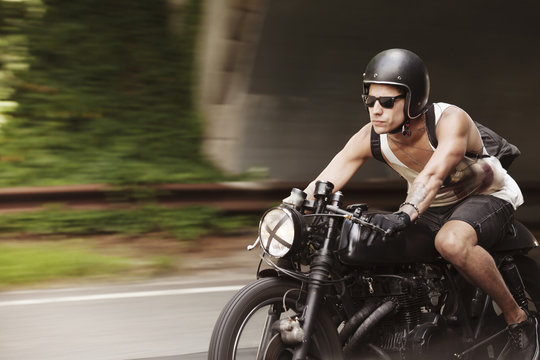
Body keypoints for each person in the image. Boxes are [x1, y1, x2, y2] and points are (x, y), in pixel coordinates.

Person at [302, 48, 538, 359]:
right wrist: (289, 214)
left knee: (451, 242)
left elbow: (435, 172)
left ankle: (516, 317)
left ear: (413, 100)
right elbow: (324, 182)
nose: (376, 109)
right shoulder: (370, 137)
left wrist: (406, 213)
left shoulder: (450, 121)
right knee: (362, 244)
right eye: (370, 100)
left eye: (387, 102)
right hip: (431, 207)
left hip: (486, 196)